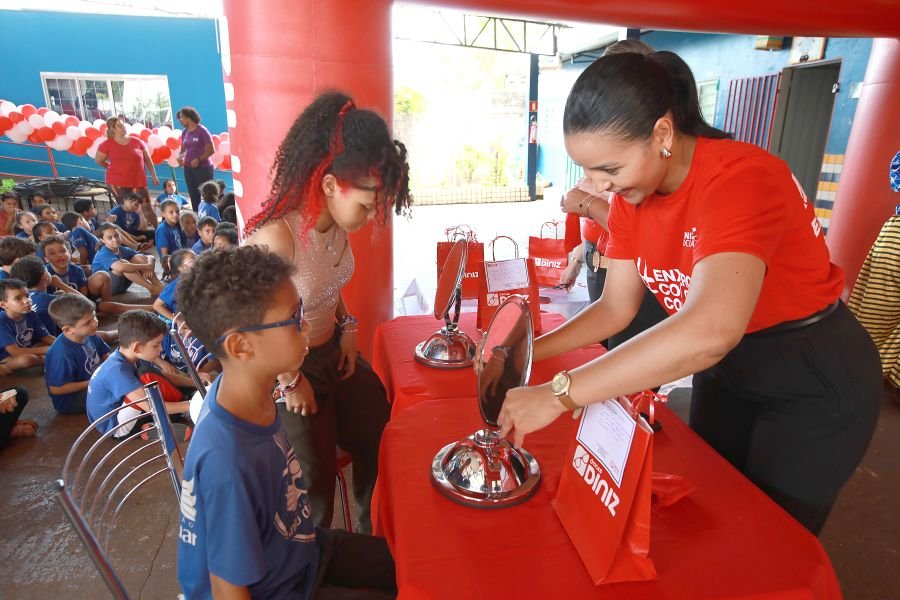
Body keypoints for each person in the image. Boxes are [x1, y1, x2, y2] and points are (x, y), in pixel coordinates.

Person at [496, 50, 882, 536]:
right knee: (713, 516)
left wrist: (559, 394)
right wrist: (524, 352)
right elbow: (616, 308)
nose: (598, 187)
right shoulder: (631, 200)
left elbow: (711, 329)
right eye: (588, 171)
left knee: (769, 540)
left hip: (808, 376)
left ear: (661, 134)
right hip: (729, 373)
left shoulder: (740, 179)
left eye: (609, 170)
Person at [175, 245, 397, 598]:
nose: (306, 325)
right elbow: (227, 591)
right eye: (293, 319)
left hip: (303, 550)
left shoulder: (248, 390)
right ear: (241, 347)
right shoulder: (227, 461)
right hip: (280, 590)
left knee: (414, 567)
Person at [245, 90, 411, 533]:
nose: (376, 213)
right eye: (368, 202)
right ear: (330, 184)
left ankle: (375, 537)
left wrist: (349, 326)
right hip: (289, 371)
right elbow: (249, 324)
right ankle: (313, 569)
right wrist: (290, 379)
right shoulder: (278, 236)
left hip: (332, 351)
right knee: (312, 480)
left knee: (382, 429)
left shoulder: (336, 222)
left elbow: (323, 286)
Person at [86, 310, 191, 438]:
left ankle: (154, 423)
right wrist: (191, 405)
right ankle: (145, 428)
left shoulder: (130, 355)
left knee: (148, 374)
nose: (161, 349)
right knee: (146, 378)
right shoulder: (117, 371)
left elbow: (163, 376)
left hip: (124, 406)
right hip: (116, 427)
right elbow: (153, 407)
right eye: (156, 345)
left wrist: (195, 382)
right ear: (137, 348)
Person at [42, 235, 149, 316]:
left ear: (69, 252)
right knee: (59, 294)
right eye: (52, 253)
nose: (59, 255)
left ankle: (153, 307)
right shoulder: (45, 274)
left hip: (83, 303)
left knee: (104, 281)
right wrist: (61, 287)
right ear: (46, 259)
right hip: (62, 312)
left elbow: (84, 296)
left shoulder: (76, 270)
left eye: (62, 250)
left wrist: (62, 285)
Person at [44, 294, 111, 415]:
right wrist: (95, 381)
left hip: (94, 381)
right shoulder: (61, 353)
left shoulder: (90, 334)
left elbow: (105, 354)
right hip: (71, 400)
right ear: (68, 329)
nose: (95, 323)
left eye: (94, 317)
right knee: (116, 391)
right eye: (87, 322)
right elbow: (56, 389)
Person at [95, 116, 159, 228]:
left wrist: (154, 175)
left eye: (123, 124)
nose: (123, 127)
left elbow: (147, 159)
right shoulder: (106, 144)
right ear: (112, 129)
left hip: (138, 180)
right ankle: (132, 234)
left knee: (146, 207)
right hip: (118, 182)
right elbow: (99, 160)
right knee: (128, 208)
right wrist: (110, 167)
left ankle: (158, 230)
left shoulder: (137, 141)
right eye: (119, 126)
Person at [92, 223, 163, 297]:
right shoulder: (103, 253)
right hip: (106, 289)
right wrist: (146, 266)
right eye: (110, 238)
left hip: (122, 286)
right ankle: (152, 288)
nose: (115, 239)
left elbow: (150, 257)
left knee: (137, 257)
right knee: (123, 263)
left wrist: (149, 265)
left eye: (116, 235)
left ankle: (158, 285)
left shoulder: (122, 249)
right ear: (102, 240)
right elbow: (120, 267)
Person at [0, 279, 55, 373]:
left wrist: (62, 343)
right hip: (8, 357)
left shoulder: (31, 314)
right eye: (18, 298)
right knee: (26, 360)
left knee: (51, 345)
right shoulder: (2, 321)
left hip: (29, 348)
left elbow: (45, 337)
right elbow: (15, 351)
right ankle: (47, 360)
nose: (27, 301)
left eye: (27, 295)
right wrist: (49, 349)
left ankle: (45, 358)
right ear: (3, 304)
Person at [176, 107, 215, 212]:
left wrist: (199, 159)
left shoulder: (202, 131)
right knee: (193, 195)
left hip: (203, 169)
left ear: (189, 118)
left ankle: (211, 218)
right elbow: (183, 150)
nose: (180, 120)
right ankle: (197, 218)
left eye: (181, 117)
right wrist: (180, 157)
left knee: (208, 195)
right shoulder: (184, 132)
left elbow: (211, 150)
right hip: (188, 168)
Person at [9, 255, 60, 335]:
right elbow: (84, 305)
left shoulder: (22, 297)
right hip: (50, 341)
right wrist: (61, 284)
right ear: (45, 276)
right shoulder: (52, 300)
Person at [153, 249, 195, 321]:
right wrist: (177, 320)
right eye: (192, 259)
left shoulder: (198, 278)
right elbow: (157, 305)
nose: (198, 259)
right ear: (182, 268)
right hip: (179, 320)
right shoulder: (176, 284)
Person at [155, 200, 187, 277]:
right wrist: (169, 270)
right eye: (171, 212)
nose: (175, 215)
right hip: (173, 262)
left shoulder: (177, 225)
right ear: (163, 214)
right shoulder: (163, 229)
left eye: (177, 212)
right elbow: (164, 255)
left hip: (181, 257)